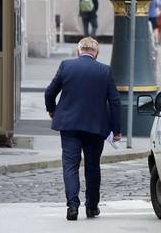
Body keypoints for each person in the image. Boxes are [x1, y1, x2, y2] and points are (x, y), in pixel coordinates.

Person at [44, 37, 121, 221]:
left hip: (69, 126)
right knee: (93, 166)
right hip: (95, 127)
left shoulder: (66, 66)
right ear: (96, 53)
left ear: (78, 51)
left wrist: (52, 111)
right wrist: (116, 130)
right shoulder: (105, 71)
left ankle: (72, 206)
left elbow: (49, 92)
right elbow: (115, 102)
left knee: (70, 165)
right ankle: (91, 207)